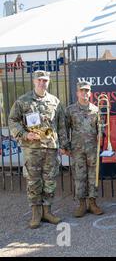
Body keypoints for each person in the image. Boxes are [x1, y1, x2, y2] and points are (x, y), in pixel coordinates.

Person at [9, 70, 68, 229]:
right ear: (34, 81)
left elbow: (61, 125)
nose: (42, 83)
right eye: (39, 80)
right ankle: (36, 213)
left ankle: (47, 211)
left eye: (45, 80)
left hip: (50, 148)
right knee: (34, 181)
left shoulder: (55, 101)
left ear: (49, 82)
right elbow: (13, 121)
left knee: (49, 181)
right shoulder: (23, 101)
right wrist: (25, 134)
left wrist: (63, 145)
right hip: (32, 149)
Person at [65, 81, 103, 218]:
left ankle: (93, 203)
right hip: (77, 149)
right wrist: (65, 146)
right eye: (82, 90)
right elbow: (65, 129)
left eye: (87, 90)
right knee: (79, 176)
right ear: (77, 93)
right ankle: (82, 204)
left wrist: (101, 136)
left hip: (92, 148)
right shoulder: (70, 110)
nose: (84, 93)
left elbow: (100, 129)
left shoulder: (96, 110)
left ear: (90, 93)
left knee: (93, 176)